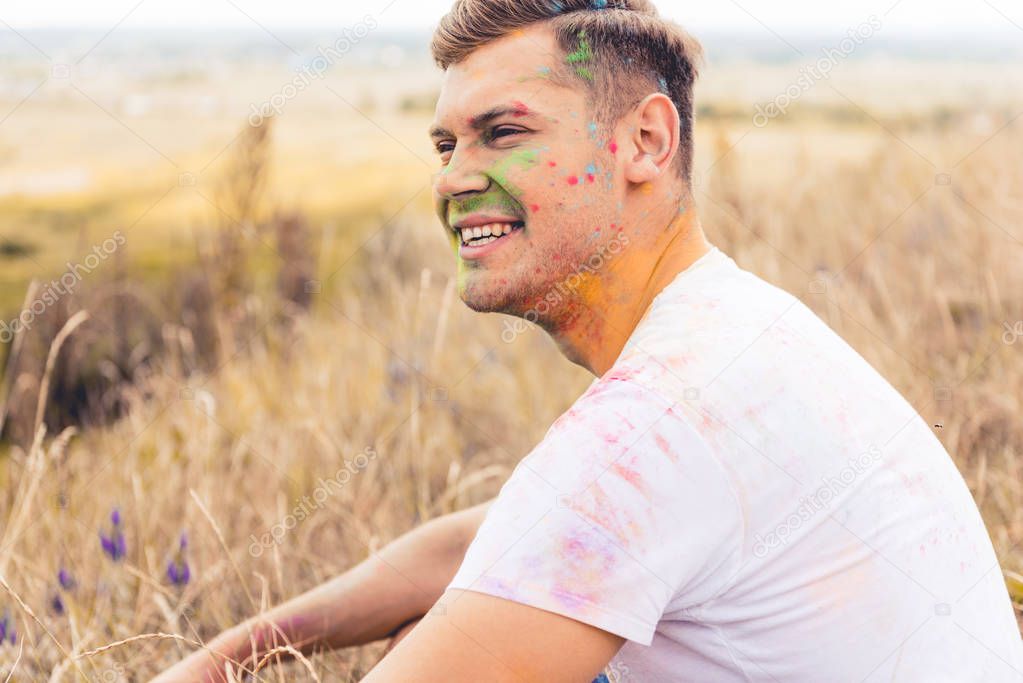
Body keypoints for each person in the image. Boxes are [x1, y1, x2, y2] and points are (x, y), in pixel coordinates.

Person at [154, 1, 1023, 681]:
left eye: (505, 131)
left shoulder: (657, 418)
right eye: (445, 142)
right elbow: (498, 543)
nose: (453, 178)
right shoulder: (731, 325)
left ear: (644, 141)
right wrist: (230, 654)